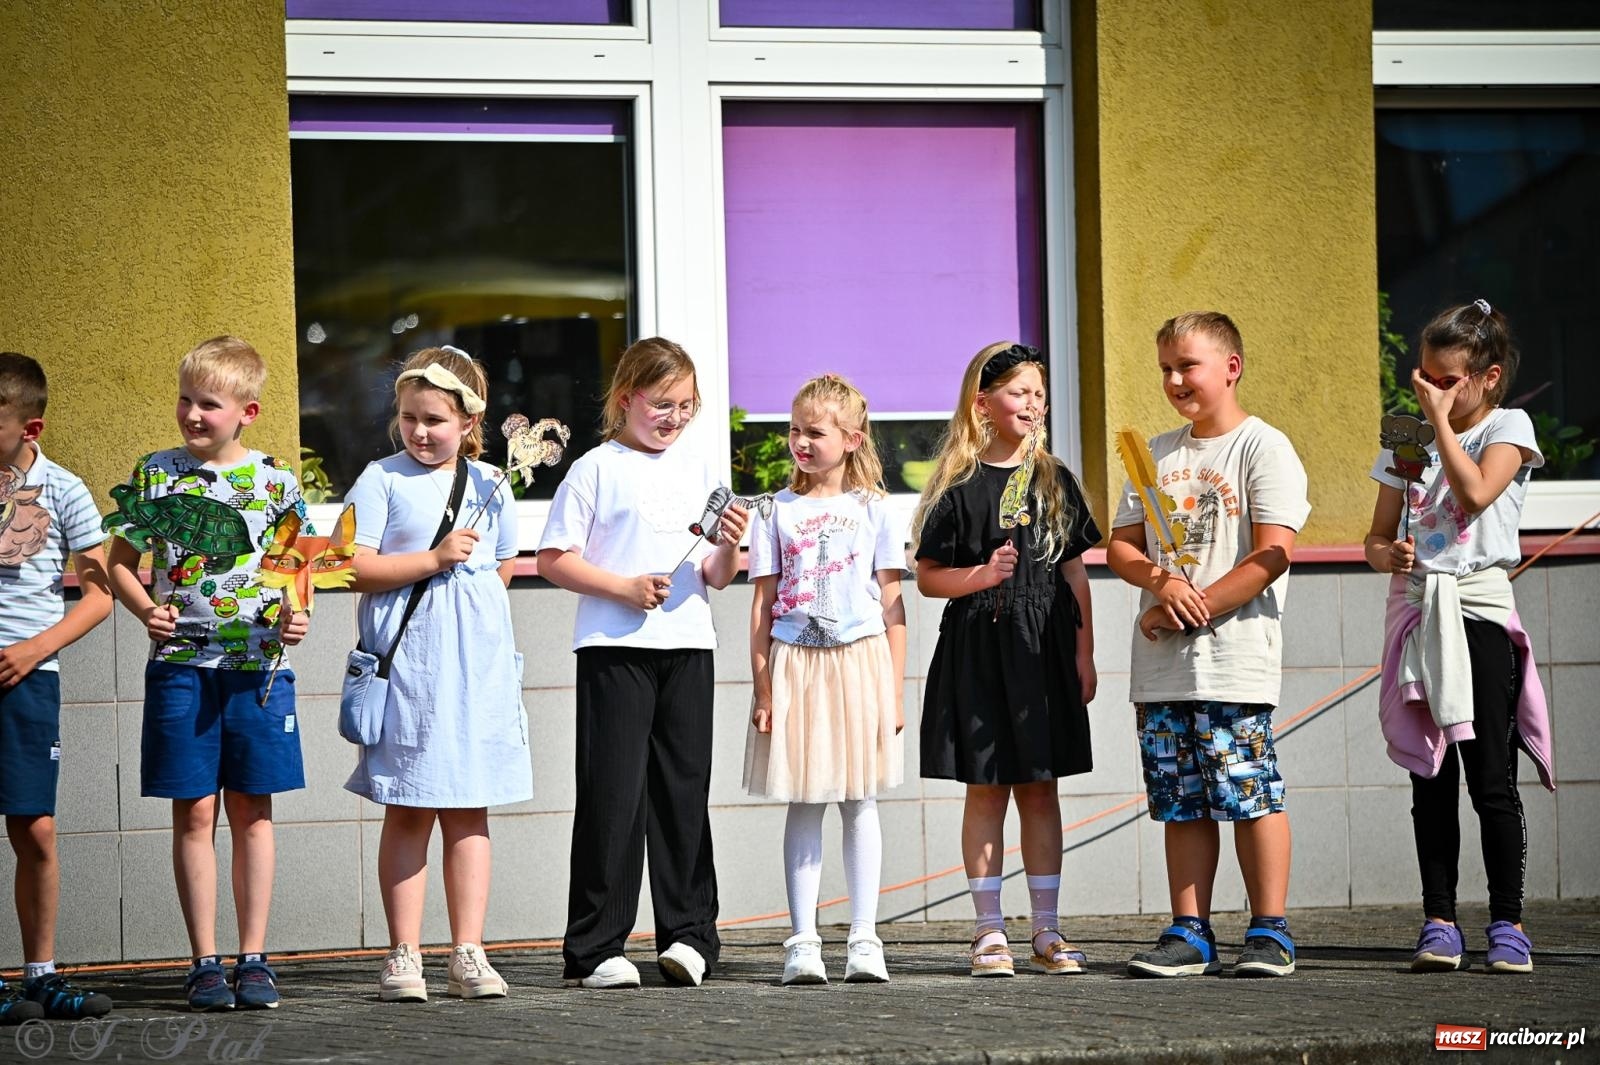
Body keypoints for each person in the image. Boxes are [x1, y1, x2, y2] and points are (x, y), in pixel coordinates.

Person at [105, 336, 311, 1010]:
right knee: (193, 810)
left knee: (253, 809)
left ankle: (254, 957)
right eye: (186, 399)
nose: (193, 414)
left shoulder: (277, 479)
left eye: (210, 404)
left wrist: (296, 612)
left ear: (246, 411)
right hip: (181, 667)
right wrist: (144, 609)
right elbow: (117, 559)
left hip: (258, 670)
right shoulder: (156, 474)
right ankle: (203, 959)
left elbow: (298, 563)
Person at [538, 337, 748, 990]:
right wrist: (623, 587)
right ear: (626, 397)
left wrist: (731, 548)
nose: (675, 417)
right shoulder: (596, 468)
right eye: (662, 403)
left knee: (683, 794)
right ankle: (596, 946)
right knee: (613, 796)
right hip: (614, 649)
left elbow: (713, 571)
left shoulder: (699, 467)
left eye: (687, 405)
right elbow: (552, 558)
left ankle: (690, 937)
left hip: (688, 645)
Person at [1106, 311, 1309, 979]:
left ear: (1230, 366)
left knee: (1249, 791)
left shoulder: (1262, 446)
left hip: (1234, 660)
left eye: (1186, 364)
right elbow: (1123, 546)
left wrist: (1190, 610)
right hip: (1164, 673)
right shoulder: (1157, 451)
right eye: (1165, 367)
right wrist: (1160, 584)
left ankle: (1269, 928)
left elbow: (1273, 552)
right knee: (1180, 798)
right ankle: (1190, 930)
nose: (1173, 379)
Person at [1364, 299, 1552, 975]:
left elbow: (1473, 494)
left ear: (1488, 377)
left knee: (1491, 778)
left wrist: (1440, 423)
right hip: (1421, 612)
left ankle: (1508, 922)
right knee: (1431, 774)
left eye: (1447, 379)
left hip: (1478, 612)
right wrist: (1385, 554)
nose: (1429, 390)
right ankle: (1439, 920)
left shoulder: (1509, 426)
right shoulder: (1406, 437)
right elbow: (1376, 535)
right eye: (1425, 376)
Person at [344, 345, 532, 1003]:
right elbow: (354, 566)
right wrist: (431, 558)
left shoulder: (492, 484)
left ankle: (468, 951)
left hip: (473, 669)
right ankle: (403, 952)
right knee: (408, 806)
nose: (421, 432)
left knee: (469, 810)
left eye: (436, 420)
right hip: (413, 671)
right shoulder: (382, 479)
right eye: (410, 417)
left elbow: (502, 567)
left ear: (469, 423)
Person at [912, 342, 1099, 978]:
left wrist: (1085, 651)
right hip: (980, 647)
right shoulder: (958, 487)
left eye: (1039, 394)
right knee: (987, 790)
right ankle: (989, 931)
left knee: (1041, 788)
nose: (1034, 403)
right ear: (983, 402)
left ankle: (1046, 929)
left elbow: (1074, 571)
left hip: (1044, 646)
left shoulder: (1054, 480)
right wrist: (982, 575)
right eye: (1020, 392)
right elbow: (929, 577)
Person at [744, 374, 906, 985]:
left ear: (853, 439)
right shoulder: (774, 511)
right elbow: (761, 606)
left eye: (815, 432)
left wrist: (893, 691)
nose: (800, 442)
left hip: (857, 662)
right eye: (794, 430)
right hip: (795, 664)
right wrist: (763, 688)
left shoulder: (874, 511)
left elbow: (892, 606)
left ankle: (864, 936)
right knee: (805, 797)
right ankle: (803, 939)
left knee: (859, 797)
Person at [0, 353, 115, 1023]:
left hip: (28, 679)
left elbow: (98, 595)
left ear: (30, 426)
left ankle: (39, 974)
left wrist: (33, 649)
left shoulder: (64, 490)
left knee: (35, 827)